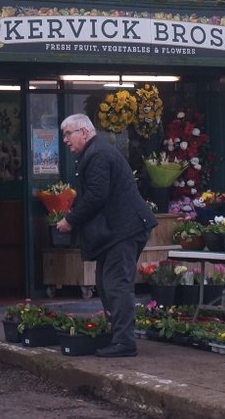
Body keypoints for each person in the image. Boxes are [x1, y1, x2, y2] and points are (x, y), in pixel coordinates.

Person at [56, 113, 157, 357]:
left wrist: (70, 219)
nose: (66, 140)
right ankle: (118, 336)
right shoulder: (95, 152)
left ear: (83, 131)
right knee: (105, 282)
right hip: (118, 230)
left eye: (68, 134)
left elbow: (96, 196)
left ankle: (124, 342)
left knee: (115, 284)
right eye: (64, 135)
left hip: (125, 229)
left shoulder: (98, 154)